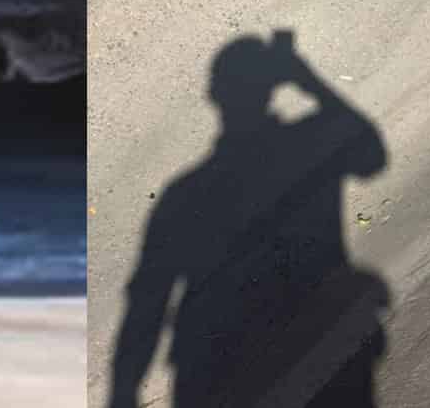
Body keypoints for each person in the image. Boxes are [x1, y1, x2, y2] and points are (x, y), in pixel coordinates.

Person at [110, 29, 392, 408]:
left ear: (213, 96)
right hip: (321, 365)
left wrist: (122, 394)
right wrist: (305, 77)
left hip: (220, 379)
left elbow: (147, 302)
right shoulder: (310, 145)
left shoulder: (183, 196)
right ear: (274, 86)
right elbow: (372, 156)